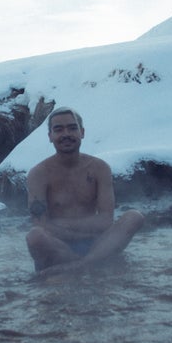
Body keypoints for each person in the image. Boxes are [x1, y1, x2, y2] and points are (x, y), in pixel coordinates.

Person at [25, 106, 144, 276]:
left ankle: (79, 265)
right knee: (35, 236)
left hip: (96, 244)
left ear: (82, 132)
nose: (66, 134)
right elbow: (40, 225)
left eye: (72, 128)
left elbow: (105, 221)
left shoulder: (99, 168)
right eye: (59, 129)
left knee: (134, 216)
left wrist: (61, 223)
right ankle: (91, 264)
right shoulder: (39, 174)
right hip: (59, 246)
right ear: (50, 137)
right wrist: (82, 230)